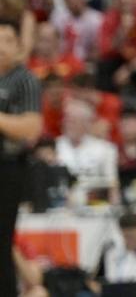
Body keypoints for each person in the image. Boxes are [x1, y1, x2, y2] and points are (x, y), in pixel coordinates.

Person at [0, 17, 42, 297]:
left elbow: (31, 128)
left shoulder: (25, 80)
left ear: (18, 45)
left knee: (1, 243)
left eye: (7, 40)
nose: (1, 47)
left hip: (7, 169)